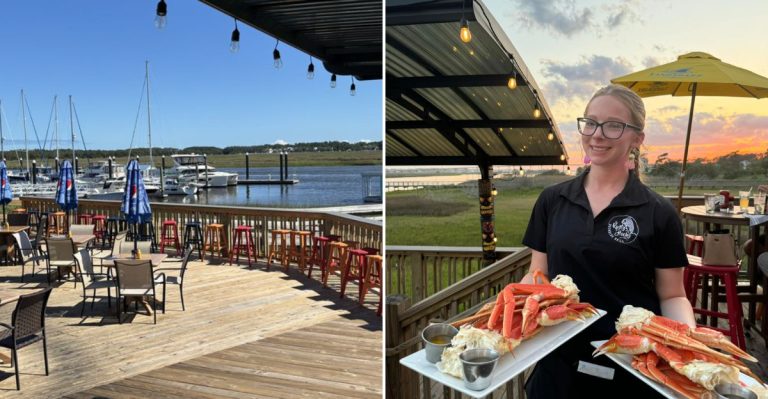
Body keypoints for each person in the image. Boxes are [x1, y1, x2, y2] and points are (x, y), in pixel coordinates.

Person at [522, 84, 696, 399]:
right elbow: (537, 276)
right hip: (557, 366)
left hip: (633, 368)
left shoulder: (658, 212)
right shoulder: (552, 200)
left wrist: (689, 347)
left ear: (637, 138)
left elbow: (672, 296)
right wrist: (516, 313)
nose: (597, 134)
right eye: (590, 122)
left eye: (614, 125)